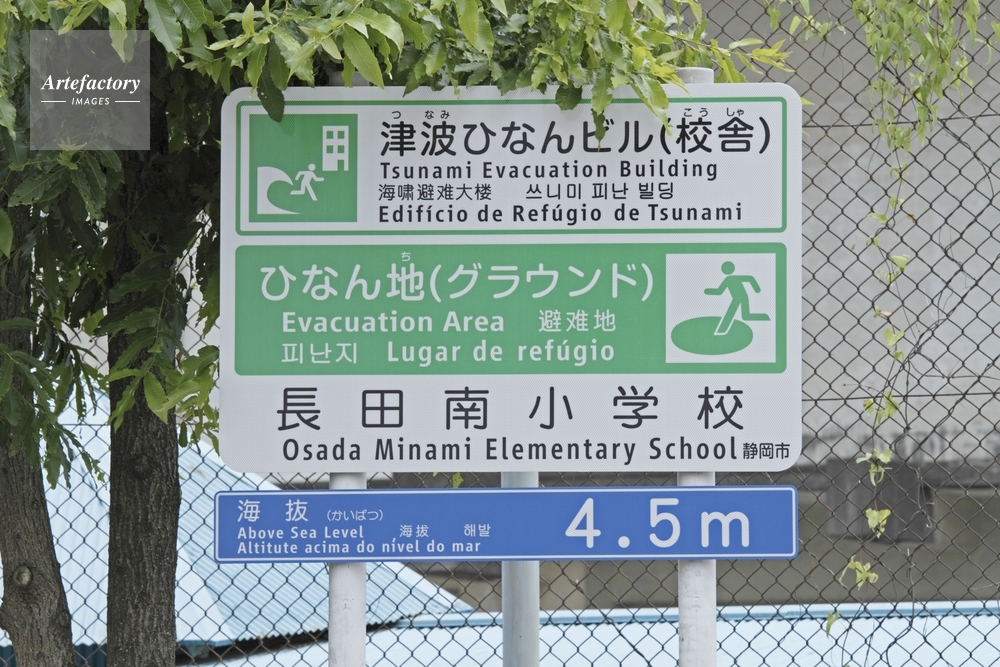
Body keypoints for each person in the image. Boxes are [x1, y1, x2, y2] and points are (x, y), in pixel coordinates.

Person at [704, 261, 769, 335]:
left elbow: (750, 278)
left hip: (740, 297)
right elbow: (719, 291)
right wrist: (708, 291)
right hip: (740, 297)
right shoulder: (728, 279)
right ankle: (765, 317)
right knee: (746, 316)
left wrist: (757, 289)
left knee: (734, 314)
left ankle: (721, 330)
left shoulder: (730, 279)